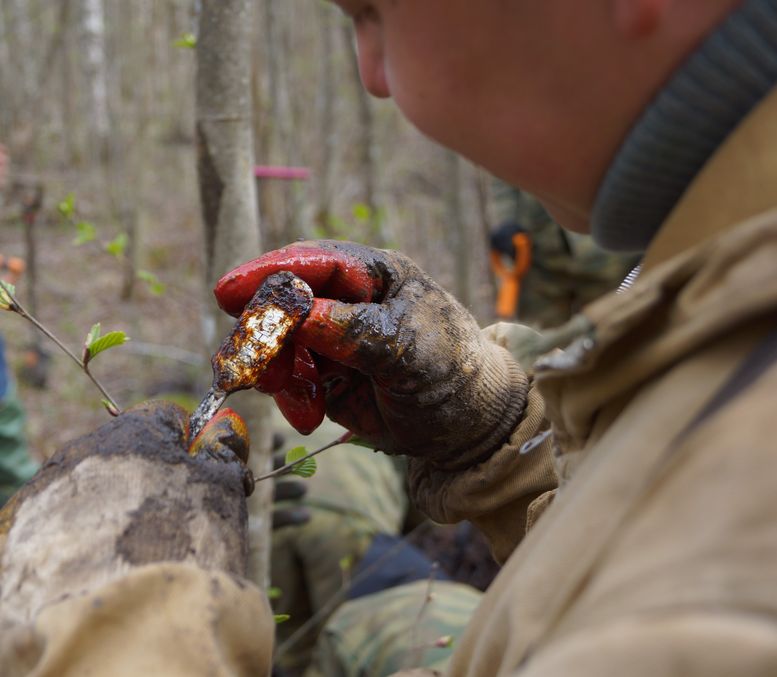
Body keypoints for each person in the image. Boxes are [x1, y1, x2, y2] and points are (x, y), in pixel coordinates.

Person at [2, 1, 777, 675]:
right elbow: (637, 536)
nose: (375, 76)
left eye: (373, 11)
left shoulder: (721, 594)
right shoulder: (718, 288)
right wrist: (500, 435)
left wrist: (114, 641)